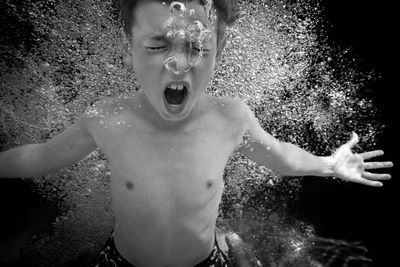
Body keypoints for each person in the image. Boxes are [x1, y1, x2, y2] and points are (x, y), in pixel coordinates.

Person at [0, 0, 393, 266]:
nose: (177, 64)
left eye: (197, 46)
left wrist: (328, 164)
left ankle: (226, 242)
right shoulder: (108, 118)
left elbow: (279, 156)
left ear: (218, 47)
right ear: (128, 49)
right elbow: (38, 158)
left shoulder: (230, 118)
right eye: (157, 45)